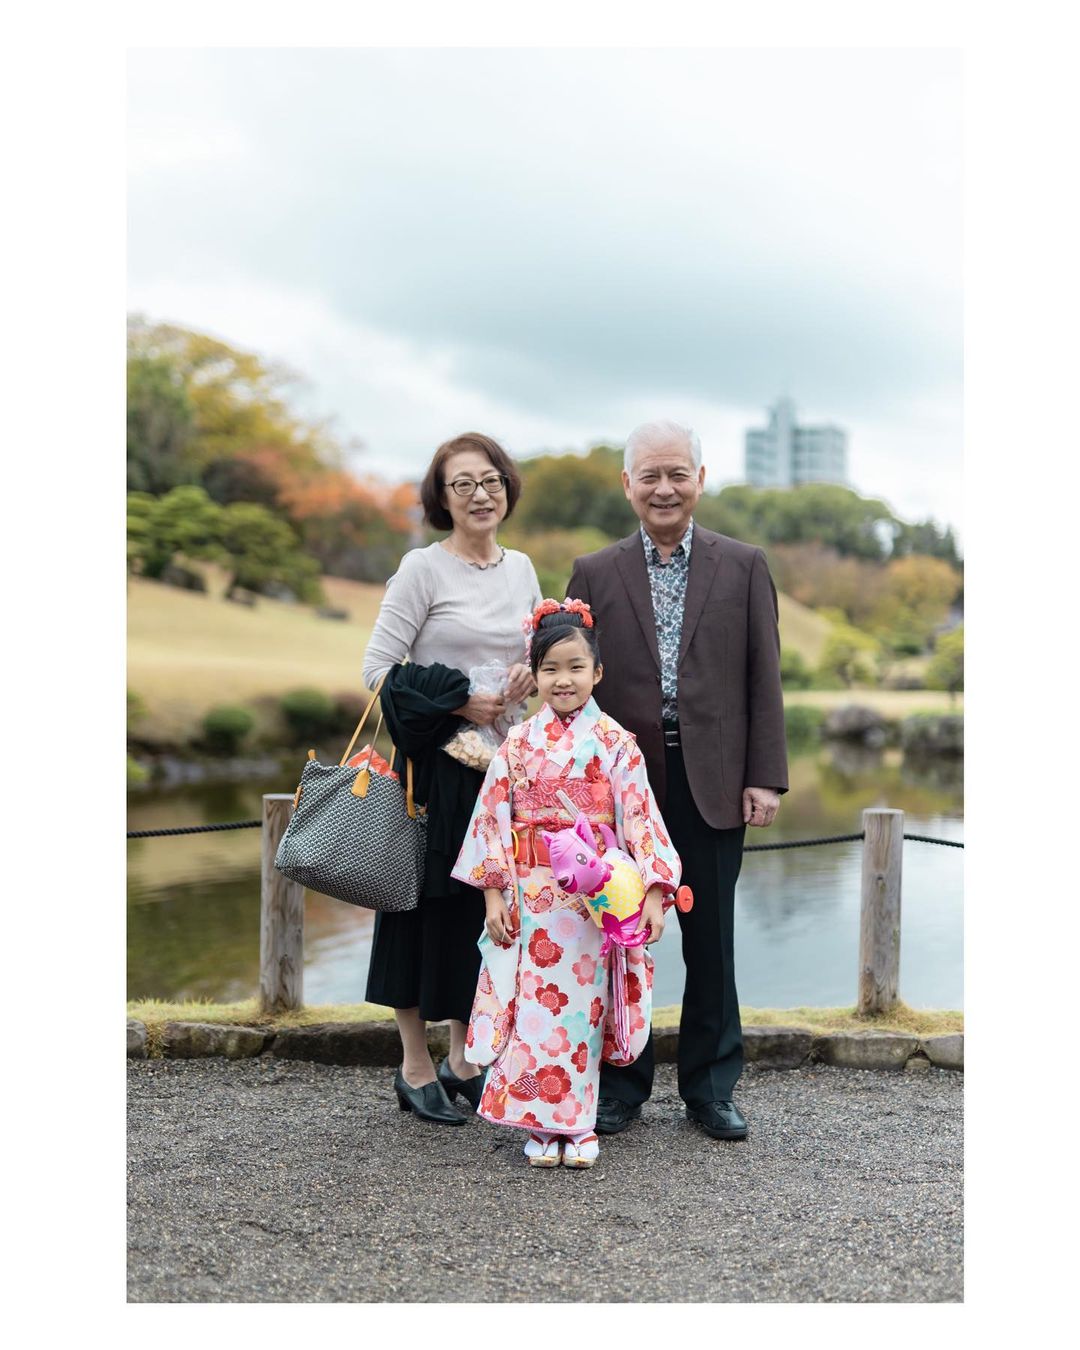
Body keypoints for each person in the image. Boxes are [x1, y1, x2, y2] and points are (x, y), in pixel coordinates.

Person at [566, 419, 788, 1142]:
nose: (665, 489)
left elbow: (764, 678)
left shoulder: (744, 564)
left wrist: (765, 778)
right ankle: (622, 1088)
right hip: (621, 791)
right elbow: (570, 680)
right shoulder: (594, 573)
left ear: (700, 479)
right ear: (627, 485)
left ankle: (712, 1088)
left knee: (711, 944)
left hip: (716, 783)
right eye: (649, 476)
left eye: (677, 475)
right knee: (620, 940)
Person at [451, 601, 681, 1168]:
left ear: (597, 673)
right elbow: (492, 820)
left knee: (583, 1007)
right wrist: (492, 894)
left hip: (593, 900)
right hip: (531, 896)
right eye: (550, 668)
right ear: (535, 676)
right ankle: (539, 1121)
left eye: (576, 667)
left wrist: (653, 892)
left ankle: (576, 1122)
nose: (564, 680)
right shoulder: (518, 744)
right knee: (534, 1003)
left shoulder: (616, 743)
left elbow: (642, 818)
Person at [362, 432, 542, 1125]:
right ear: (441, 497)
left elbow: (523, 658)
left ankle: (465, 1058)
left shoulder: (521, 568)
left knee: (480, 914)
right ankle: (413, 1064)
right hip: (433, 772)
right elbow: (378, 669)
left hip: (500, 771)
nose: (479, 494)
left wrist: (526, 675)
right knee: (417, 909)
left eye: (490, 480)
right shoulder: (421, 570)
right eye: (461, 483)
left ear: (507, 488)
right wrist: (457, 696)